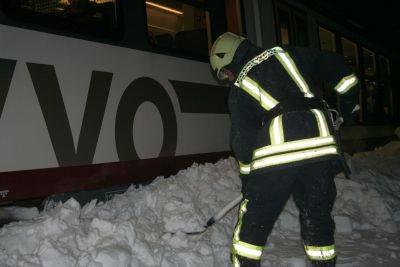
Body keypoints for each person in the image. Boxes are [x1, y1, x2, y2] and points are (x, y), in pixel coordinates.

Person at [209, 32, 360, 267]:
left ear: (228, 60)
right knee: (317, 217)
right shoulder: (286, 53)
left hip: (278, 156)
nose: (228, 78)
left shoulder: (239, 87)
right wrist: (351, 103)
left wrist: (248, 178)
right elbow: (334, 65)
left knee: (254, 222)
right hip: (321, 151)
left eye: (225, 73)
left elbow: (242, 139)